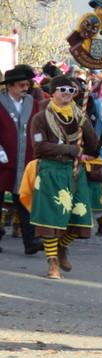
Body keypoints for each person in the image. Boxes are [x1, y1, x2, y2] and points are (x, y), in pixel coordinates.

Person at [28, 75, 101, 278]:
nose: (68, 93)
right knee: (51, 219)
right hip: (51, 170)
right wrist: (69, 149)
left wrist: (86, 126)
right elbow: (40, 147)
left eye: (72, 90)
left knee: (81, 217)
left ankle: (60, 248)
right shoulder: (40, 118)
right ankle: (52, 261)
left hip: (75, 171)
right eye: (63, 89)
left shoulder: (79, 116)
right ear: (53, 92)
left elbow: (94, 147)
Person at [0, 64, 44, 255]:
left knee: (25, 200)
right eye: (20, 85)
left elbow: (38, 127)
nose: (25, 88)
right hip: (2, 160)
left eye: (26, 84)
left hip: (25, 161)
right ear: (9, 86)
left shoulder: (32, 103)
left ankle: (31, 241)